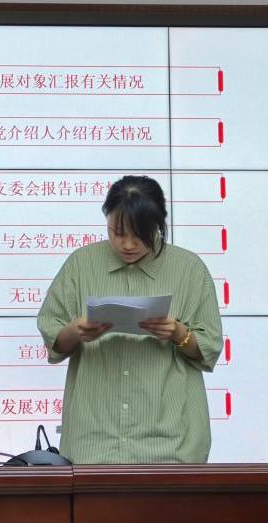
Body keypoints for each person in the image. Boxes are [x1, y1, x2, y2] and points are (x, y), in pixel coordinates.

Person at [37, 175, 222, 464]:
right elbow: (53, 336)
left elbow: (210, 347)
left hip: (171, 446)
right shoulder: (81, 264)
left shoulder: (189, 269)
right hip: (94, 443)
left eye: (139, 235)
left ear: (159, 225)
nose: (127, 244)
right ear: (107, 219)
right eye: (118, 232)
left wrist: (178, 333)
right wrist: (75, 331)